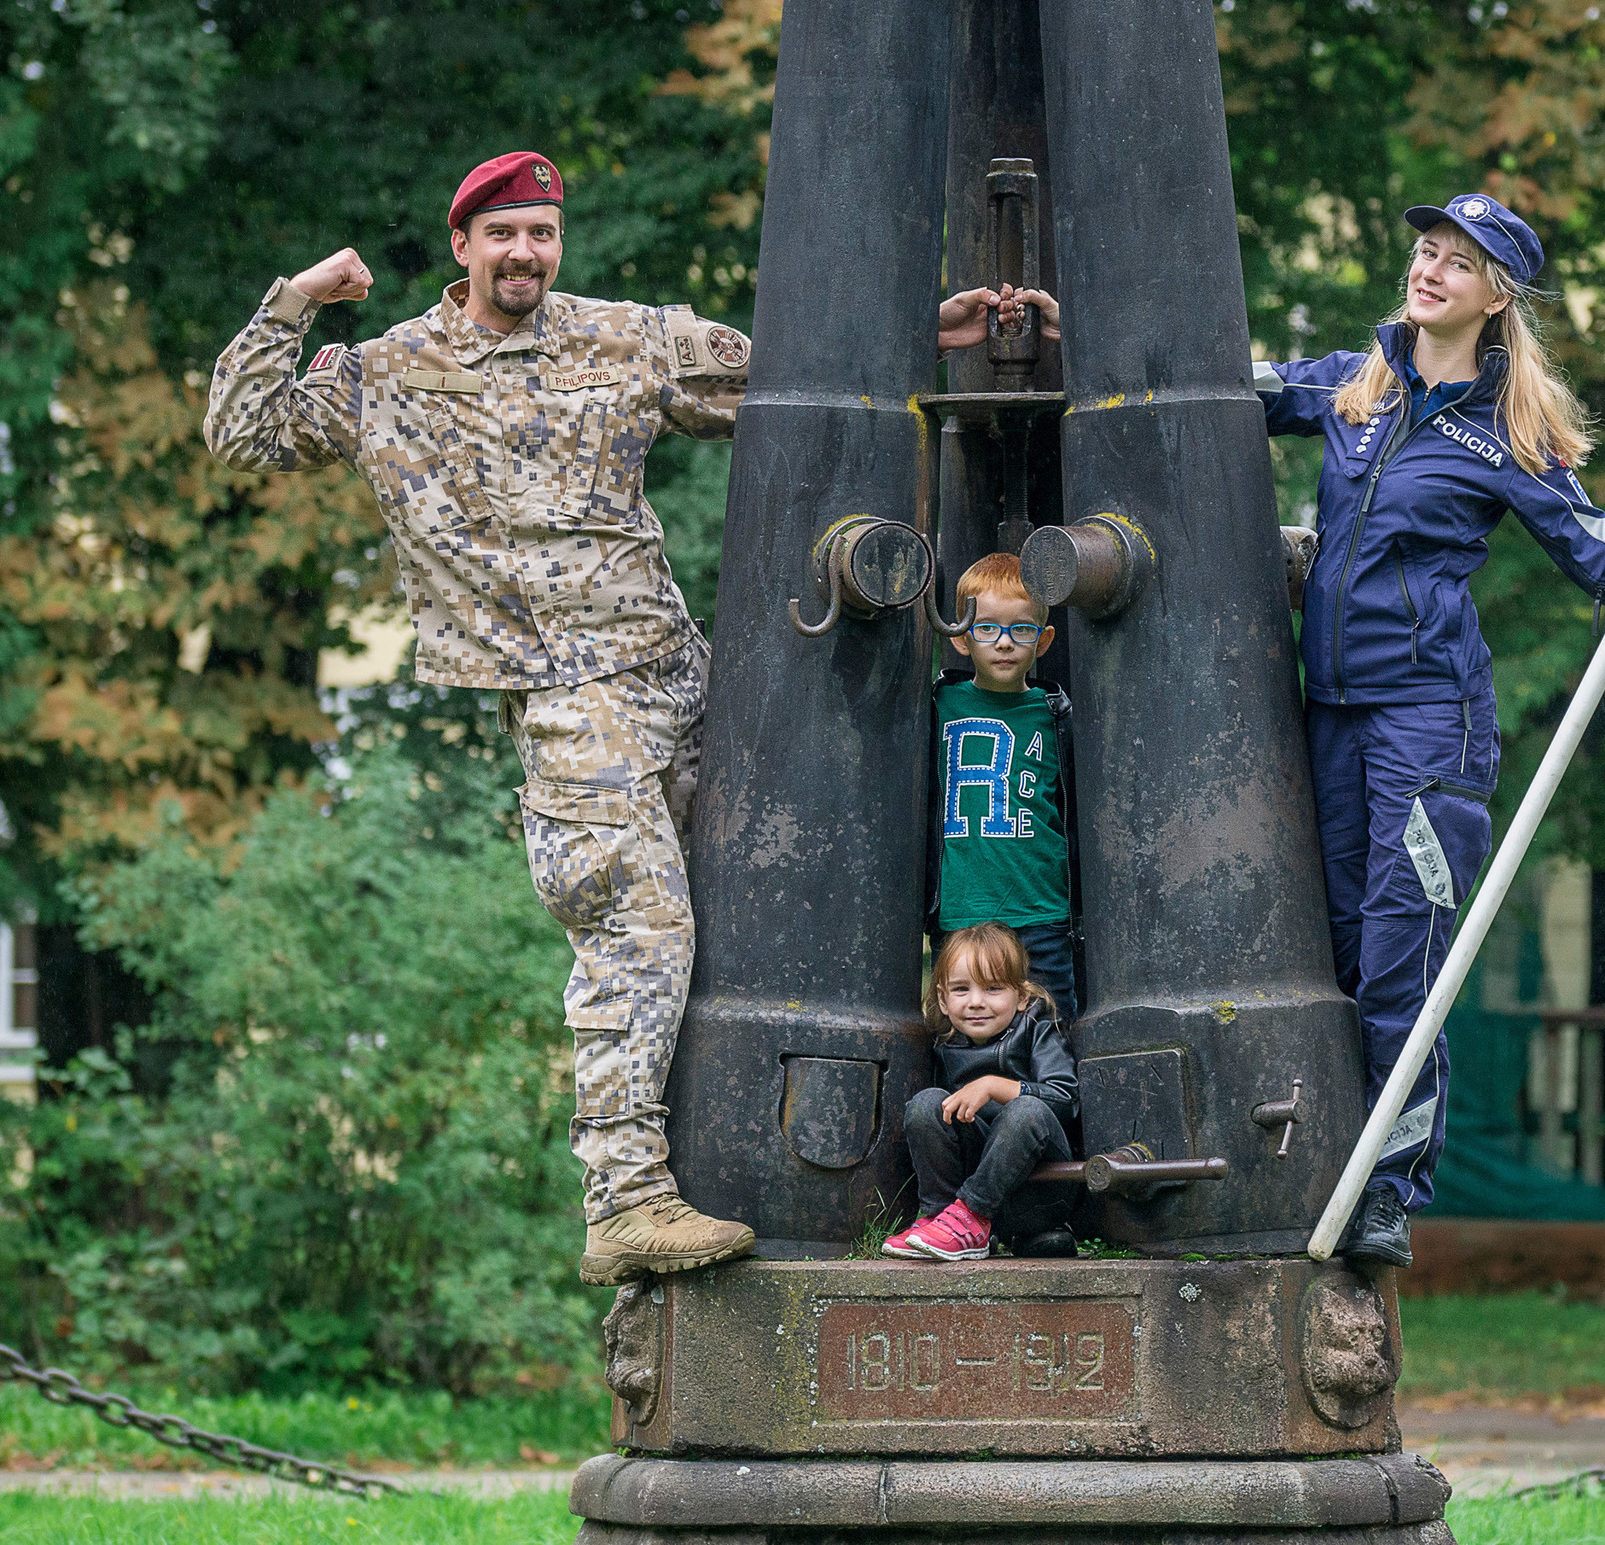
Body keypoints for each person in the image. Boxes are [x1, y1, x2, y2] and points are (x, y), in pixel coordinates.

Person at [205, 151, 1055, 1284]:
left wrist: (924, 326)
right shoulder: (388, 371)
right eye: (501, 234)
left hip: (678, 678)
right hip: (565, 699)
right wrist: (296, 303)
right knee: (638, 931)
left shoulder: (621, 337)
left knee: (806, 882)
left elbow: (790, 367)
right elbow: (243, 433)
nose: (524, 254)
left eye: (541, 236)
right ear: (461, 246)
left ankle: (937, 1154)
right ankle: (626, 1198)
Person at [1255, 194, 1605, 1268]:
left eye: (1458, 262)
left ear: (1495, 295)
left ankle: (1386, 1193)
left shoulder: (1507, 436)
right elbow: (1219, 400)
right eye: (1425, 252)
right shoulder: (1355, 384)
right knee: (1329, 952)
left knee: (1401, 955)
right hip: (1327, 713)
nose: (1430, 270)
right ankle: (1317, 1169)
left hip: (1429, 723)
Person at [928, 553, 1079, 1021]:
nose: (1005, 643)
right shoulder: (939, 704)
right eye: (987, 628)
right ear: (960, 636)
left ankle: (1042, 1097)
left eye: (1022, 629)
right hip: (962, 912)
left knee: (1050, 1034)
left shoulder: (1054, 714)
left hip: (1040, 913)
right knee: (961, 1037)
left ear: (1044, 638)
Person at [885, 923, 1082, 1261]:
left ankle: (969, 1220)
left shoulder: (1038, 1027)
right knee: (926, 1104)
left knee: (1025, 1111)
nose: (976, 1002)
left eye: (993, 989)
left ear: (1021, 997)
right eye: (961, 989)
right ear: (944, 1002)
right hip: (971, 1193)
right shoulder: (943, 1043)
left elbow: (1065, 1099)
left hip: (1037, 1192)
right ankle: (939, 1219)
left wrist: (994, 1086)